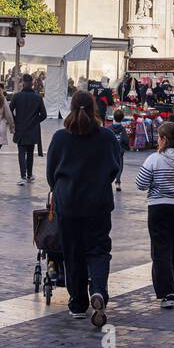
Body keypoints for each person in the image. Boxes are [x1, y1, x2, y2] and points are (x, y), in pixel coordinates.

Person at [46, 91, 123, 327]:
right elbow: (115, 168)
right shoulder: (107, 137)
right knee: (98, 250)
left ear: (71, 107)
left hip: (68, 204)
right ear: (94, 108)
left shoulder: (60, 138)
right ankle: (98, 291)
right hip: (97, 204)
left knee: (73, 252)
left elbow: (51, 174)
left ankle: (78, 303)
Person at [134, 120, 174, 309]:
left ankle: (166, 291)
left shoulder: (154, 159)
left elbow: (140, 183)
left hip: (158, 207)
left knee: (161, 249)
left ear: (163, 139)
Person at [10, 74, 47, 186]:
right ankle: (29, 175)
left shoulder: (17, 96)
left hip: (20, 128)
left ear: (22, 83)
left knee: (21, 152)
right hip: (32, 129)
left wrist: (15, 120)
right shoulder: (38, 97)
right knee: (30, 152)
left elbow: (9, 110)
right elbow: (44, 115)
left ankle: (23, 176)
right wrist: (35, 121)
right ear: (32, 84)